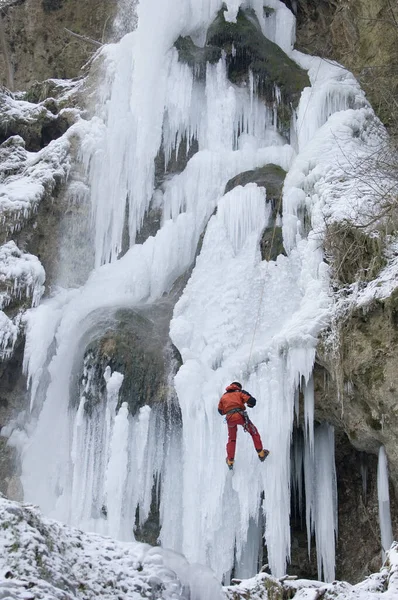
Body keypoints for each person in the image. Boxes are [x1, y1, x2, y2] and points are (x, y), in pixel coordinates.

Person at [218, 381, 269, 470]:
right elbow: (252, 401)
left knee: (232, 439)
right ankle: (261, 454)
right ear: (238, 387)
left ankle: (230, 461)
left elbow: (220, 411)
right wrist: (248, 405)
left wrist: (229, 408)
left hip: (230, 419)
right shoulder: (240, 392)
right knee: (253, 432)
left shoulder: (223, 397)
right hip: (240, 416)